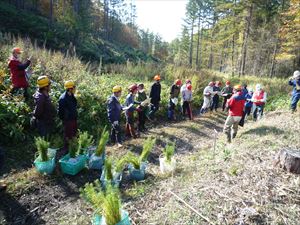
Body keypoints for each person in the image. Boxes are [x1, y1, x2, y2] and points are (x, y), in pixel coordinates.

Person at [58, 80, 78, 152]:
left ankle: (73, 149)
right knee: (68, 136)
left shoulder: (71, 96)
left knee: (74, 134)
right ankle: (66, 150)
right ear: (70, 88)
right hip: (68, 120)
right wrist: (64, 120)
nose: (75, 89)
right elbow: (60, 112)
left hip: (73, 119)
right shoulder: (63, 99)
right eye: (73, 87)